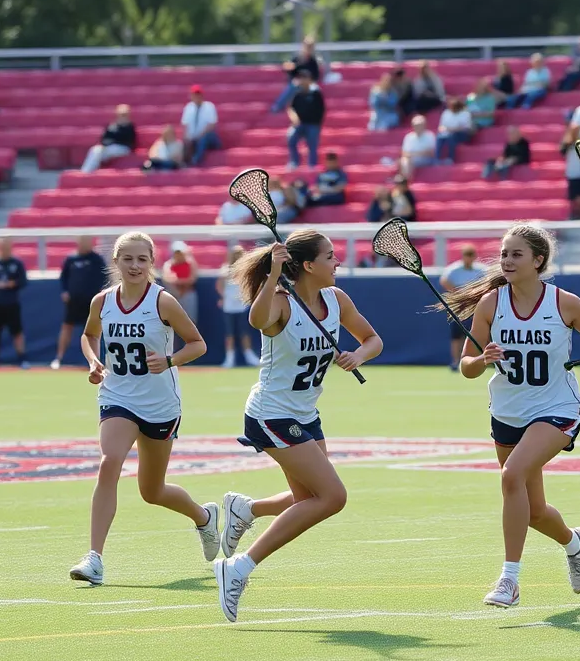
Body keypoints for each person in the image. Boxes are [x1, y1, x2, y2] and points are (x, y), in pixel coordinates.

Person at [440, 223, 580, 608]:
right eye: (504, 253)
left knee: (512, 477)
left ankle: (509, 579)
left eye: (516, 254)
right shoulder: (491, 304)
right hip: (508, 412)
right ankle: (575, 542)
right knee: (534, 510)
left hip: (556, 409)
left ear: (538, 261)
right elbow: (467, 367)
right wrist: (481, 359)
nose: (506, 260)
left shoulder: (565, 303)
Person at [213, 230, 384, 622]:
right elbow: (257, 319)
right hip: (271, 414)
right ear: (308, 265)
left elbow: (373, 339)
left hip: (305, 413)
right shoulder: (279, 302)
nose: (336, 261)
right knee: (332, 497)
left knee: (308, 497)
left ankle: (246, 509)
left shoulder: (336, 300)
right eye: (329, 256)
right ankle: (239, 567)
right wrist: (273, 272)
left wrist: (358, 355)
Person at [69, 232, 217, 587]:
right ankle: (95, 558)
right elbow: (89, 336)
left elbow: (197, 344)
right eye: (127, 259)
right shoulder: (102, 301)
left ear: (152, 263)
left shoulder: (163, 301)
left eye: (142, 259)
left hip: (160, 404)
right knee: (109, 462)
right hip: (117, 397)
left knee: (152, 491)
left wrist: (169, 360)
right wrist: (93, 361)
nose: (134, 266)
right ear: (116, 262)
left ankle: (203, 517)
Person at [52, 235, 108, 370]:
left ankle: (94, 361)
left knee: (92, 331)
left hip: (91, 302)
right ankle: (58, 358)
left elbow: (105, 276)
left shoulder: (97, 259)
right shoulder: (71, 259)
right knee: (67, 328)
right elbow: (63, 277)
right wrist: (65, 291)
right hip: (73, 301)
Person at [0, 237, 29, 370]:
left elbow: (24, 281)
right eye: (2, 247)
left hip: (12, 303)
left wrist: (11, 284)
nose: (4, 250)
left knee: (17, 332)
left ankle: (22, 359)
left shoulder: (16, 263)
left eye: (7, 247)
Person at [440, 245, 486, 370]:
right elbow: (444, 280)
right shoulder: (454, 269)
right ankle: (456, 361)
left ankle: (480, 359)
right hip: (459, 306)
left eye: (472, 255)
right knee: (457, 335)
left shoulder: (481, 270)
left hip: (475, 306)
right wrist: (459, 294)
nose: (469, 259)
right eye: (467, 255)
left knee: (478, 333)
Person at [217, 244, 260, 369]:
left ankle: (249, 357)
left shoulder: (245, 269)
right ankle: (229, 358)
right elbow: (220, 285)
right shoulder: (225, 270)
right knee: (230, 333)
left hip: (242, 306)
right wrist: (224, 297)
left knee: (244, 332)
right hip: (229, 307)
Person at [81, 105, 136, 173]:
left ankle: (88, 173)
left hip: (123, 148)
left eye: (124, 114)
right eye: (121, 114)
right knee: (95, 150)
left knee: (100, 152)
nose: (122, 116)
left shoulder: (129, 127)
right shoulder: (112, 126)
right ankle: (86, 172)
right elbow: (104, 138)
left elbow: (129, 142)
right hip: (109, 148)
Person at [272, 36, 321, 113]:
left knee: (316, 90)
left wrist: (307, 81)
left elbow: (316, 76)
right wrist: (289, 68)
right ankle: (277, 107)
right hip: (298, 83)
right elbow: (291, 72)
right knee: (293, 86)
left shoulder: (313, 61)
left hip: (308, 85)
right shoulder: (297, 59)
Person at [287, 75, 326, 170]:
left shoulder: (316, 94)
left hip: (313, 124)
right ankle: (294, 162)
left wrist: (318, 123)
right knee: (291, 139)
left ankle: (312, 165)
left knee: (312, 144)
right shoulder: (297, 94)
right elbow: (291, 108)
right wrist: (293, 117)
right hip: (299, 124)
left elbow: (321, 109)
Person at [181, 85, 221, 167]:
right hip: (194, 138)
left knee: (204, 138)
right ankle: (184, 162)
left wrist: (200, 135)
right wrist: (187, 137)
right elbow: (185, 125)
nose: (197, 97)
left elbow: (212, 125)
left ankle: (196, 161)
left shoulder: (209, 106)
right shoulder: (188, 108)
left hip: (208, 137)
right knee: (185, 141)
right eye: (194, 95)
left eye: (198, 94)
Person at [161, 242, 199, 328]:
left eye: (180, 253)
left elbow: (192, 279)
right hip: (174, 296)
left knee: (190, 322)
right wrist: (181, 283)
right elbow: (167, 278)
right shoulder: (168, 264)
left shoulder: (190, 263)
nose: (179, 255)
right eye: (176, 253)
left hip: (187, 295)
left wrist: (178, 282)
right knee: (171, 323)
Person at [435, 98, 474, 164]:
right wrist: (443, 129)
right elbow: (441, 126)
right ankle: (437, 159)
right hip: (446, 132)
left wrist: (452, 129)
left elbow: (467, 128)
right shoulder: (446, 113)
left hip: (462, 134)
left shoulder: (465, 113)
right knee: (439, 137)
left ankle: (450, 158)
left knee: (451, 137)